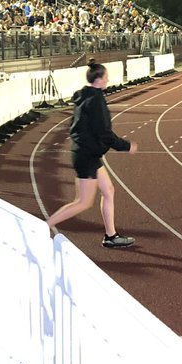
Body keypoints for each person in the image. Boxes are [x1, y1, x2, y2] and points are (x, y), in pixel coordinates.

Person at [45, 60, 138, 249]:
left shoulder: (84, 96)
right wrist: (126, 146)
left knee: (108, 190)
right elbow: (104, 132)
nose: (108, 79)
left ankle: (111, 236)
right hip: (86, 156)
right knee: (82, 202)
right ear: (99, 80)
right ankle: (42, 227)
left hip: (88, 154)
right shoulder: (95, 101)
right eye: (106, 77)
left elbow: (78, 127)